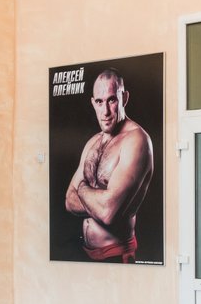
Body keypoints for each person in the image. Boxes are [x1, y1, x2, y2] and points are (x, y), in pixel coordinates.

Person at [65, 69, 154, 262]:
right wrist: (100, 200)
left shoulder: (136, 140)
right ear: (93, 103)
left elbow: (107, 212)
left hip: (116, 254)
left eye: (111, 100)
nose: (105, 111)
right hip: (86, 253)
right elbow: (69, 201)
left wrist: (82, 188)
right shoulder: (93, 143)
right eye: (99, 102)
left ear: (124, 98)